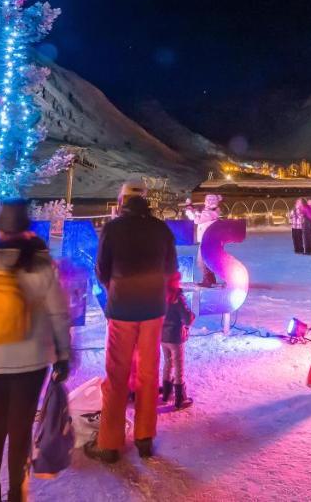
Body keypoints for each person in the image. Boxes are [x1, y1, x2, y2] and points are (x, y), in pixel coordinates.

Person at [0, 199, 71, 501]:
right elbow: (59, 314)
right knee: (19, 433)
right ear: (26, 230)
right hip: (29, 363)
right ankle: (17, 495)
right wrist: (63, 354)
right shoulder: (41, 266)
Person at [86, 181, 177, 463]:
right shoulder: (161, 228)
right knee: (148, 373)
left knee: (117, 375)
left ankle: (110, 443)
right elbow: (171, 268)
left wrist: (115, 286)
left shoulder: (113, 228)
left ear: (122, 200)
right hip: (153, 309)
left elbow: (102, 268)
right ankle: (145, 437)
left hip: (123, 308)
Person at [160, 272, 194, 408]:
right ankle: (180, 398)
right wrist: (191, 316)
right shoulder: (178, 298)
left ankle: (166, 392)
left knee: (167, 362)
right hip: (175, 337)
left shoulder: (159, 296)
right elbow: (187, 319)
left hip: (162, 336)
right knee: (178, 365)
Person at [194, 194, 221, 287]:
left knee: (202, 261)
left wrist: (196, 213)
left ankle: (208, 280)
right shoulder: (208, 211)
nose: (209, 201)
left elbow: (198, 220)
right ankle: (210, 279)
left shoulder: (213, 211)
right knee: (202, 261)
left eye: (212, 199)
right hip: (205, 239)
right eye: (208, 199)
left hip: (208, 239)